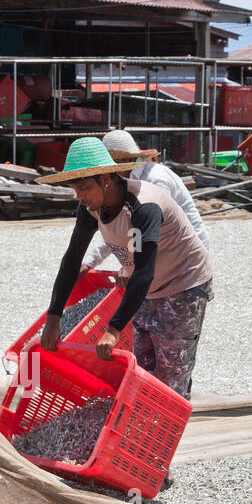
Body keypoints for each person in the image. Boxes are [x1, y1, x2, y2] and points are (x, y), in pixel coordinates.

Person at [37, 136, 213, 402]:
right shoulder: (91, 207)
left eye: (84, 188)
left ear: (106, 179)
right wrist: (54, 317)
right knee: (143, 368)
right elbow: (72, 259)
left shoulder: (144, 206)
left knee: (169, 374)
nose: (80, 196)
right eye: (75, 189)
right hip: (149, 288)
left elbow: (143, 271)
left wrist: (113, 329)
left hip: (184, 283)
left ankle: (164, 433)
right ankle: (144, 427)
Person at [81, 129, 210, 273]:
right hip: (163, 252)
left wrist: (132, 268)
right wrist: (90, 262)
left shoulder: (155, 179)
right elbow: (118, 230)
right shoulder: (124, 181)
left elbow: (155, 232)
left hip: (186, 254)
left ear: (126, 161)